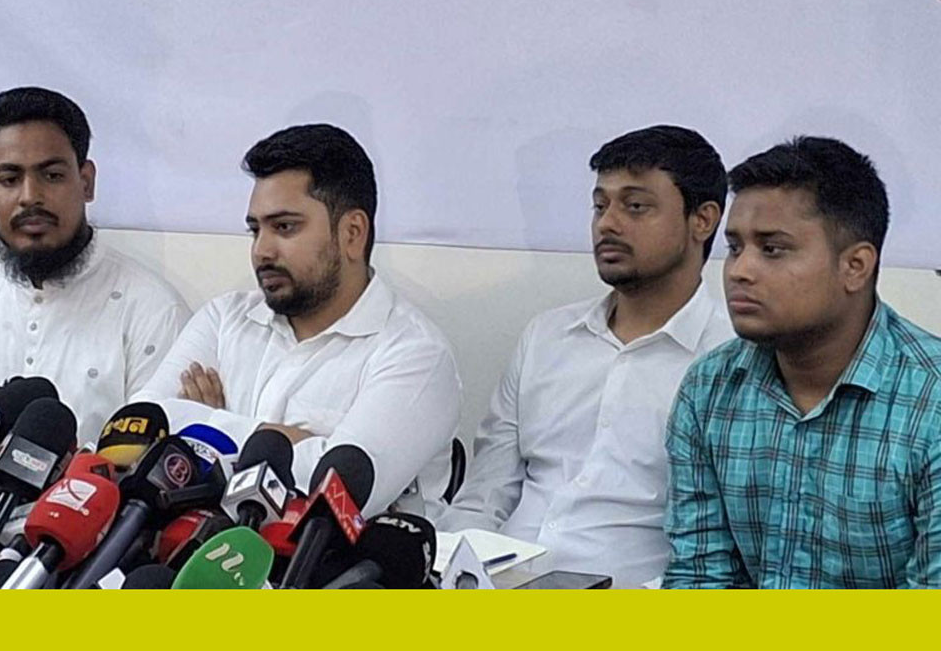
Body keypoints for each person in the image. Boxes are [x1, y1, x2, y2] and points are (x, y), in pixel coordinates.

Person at [439, 125, 734, 588]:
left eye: (635, 206)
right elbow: (485, 495)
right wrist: (451, 573)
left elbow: (720, 550)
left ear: (703, 220)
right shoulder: (546, 337)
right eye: (600, 206)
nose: (607, 224)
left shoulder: (733, 362)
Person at [133, 123, 462, 516]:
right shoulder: (223, 319)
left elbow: (340, 496)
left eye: (284, 227)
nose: (261, 250)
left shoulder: (416, 354)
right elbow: (136, 432)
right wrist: (298, 442)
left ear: (352, 233)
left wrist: (205, 429)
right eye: (255, 229)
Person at [664, 137, 941, 588]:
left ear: (855, 266)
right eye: (734, 248)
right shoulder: (709, 388)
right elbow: (699, 576)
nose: (739, 271)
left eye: (772, 249)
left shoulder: (930, 400)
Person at [0, 86, 189, 446]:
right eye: (9, 179)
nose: (30, 196)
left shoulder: (153, 311)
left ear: (86, 182)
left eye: (51, 176)